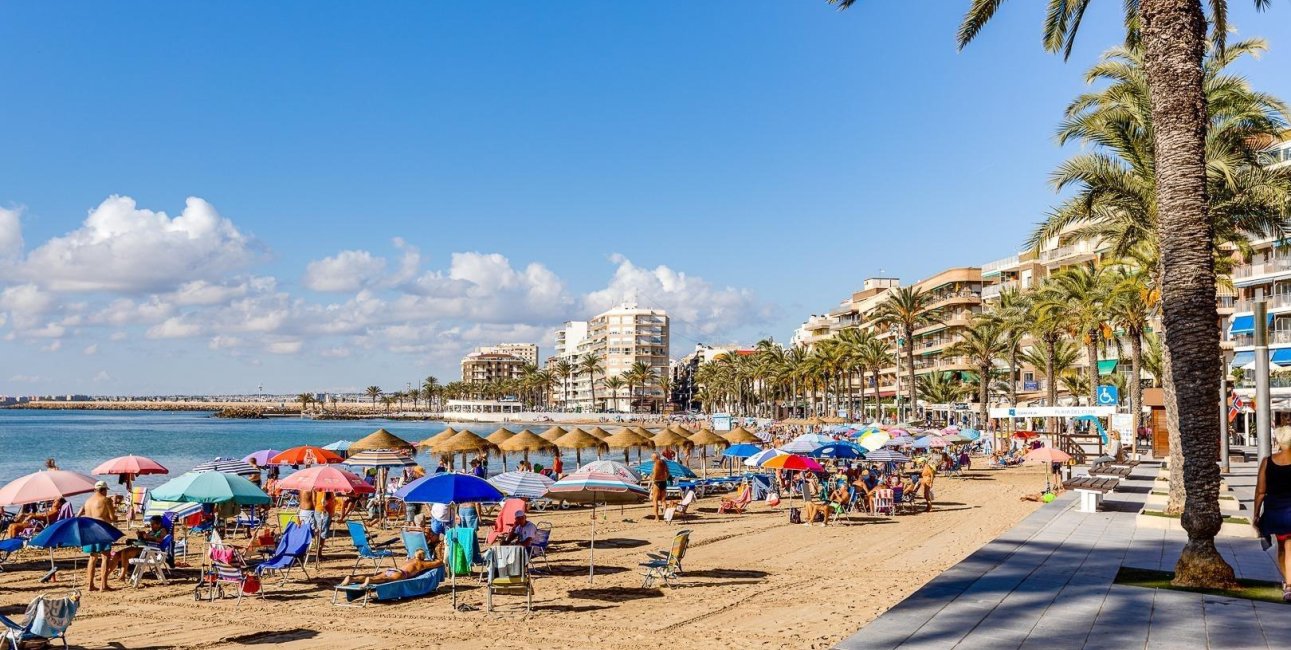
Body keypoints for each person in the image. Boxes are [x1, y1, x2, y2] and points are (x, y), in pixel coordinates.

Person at [1255, 426, 1291, 602]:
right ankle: (1289, 585)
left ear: (1278, 441)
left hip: (1276, 511)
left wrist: (1255, 514)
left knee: (1283, 547)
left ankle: (1288, 584)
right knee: (1289, 546)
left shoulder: (1267, 462)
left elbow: (1261, 491)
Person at [79, 481, 117, 592]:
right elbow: (112, 517)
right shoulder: (106, 500)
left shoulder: (87, 501)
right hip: (101, 529)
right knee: (105, 557)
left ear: (95, 490)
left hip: (89, 529)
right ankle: (103, 586)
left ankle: (90, 585)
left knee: (92, 557)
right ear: (104, 490)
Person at [340, 548, 443, 588]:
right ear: (423, 557)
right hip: (401, 574)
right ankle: (369, 580)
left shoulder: (410, 560)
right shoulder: (421, 564)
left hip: (392, 569)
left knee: (378, 576)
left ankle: (352, 578)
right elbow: (438, 563)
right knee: (384, 580)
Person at [110, 515, 168, 581]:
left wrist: (149, 537)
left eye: (153, 524)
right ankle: (106, 574)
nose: (151, 526)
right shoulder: (152, 531)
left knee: (124, 553)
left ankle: (122, 576)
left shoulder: (162, 530)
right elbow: (145, 539)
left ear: (159, 524)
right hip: (142, 547)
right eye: (150, 524)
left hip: (148, 550)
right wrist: (140, 536)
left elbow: (161, 540)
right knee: (117, 554)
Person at [649, 453, 671, 521]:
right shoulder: (664, 462)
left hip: (657, 482)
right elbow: (668, 472)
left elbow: (655, 474)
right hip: (663, 482)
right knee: (663, 500)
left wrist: (652, 480)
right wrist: (665, 478)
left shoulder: (656, 463)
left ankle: (657, 518)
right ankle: (666, 516)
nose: (651, 458)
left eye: (652, 457)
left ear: (655, 457)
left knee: (655, 500)